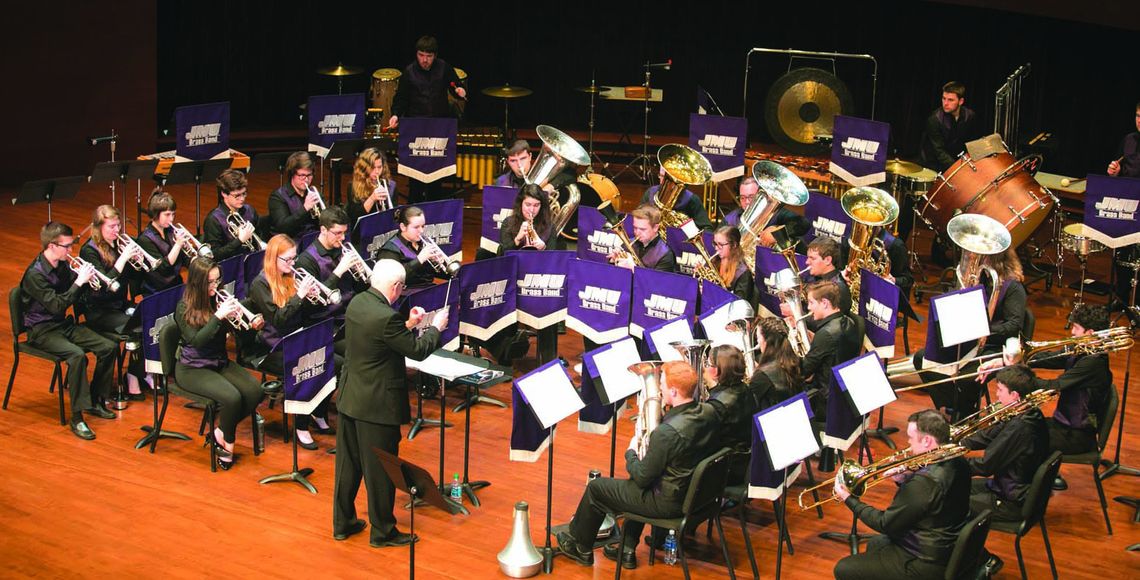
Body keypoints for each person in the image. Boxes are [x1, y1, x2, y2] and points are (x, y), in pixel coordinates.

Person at [556, 361, 718, 570]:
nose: (659, 388)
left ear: (675, 391)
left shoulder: (667, 433)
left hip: (669, 502)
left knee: (597, 488)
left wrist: (631, 452)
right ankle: (627, 550)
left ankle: (581, 547)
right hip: (696, 494)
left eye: (662, 384)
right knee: (637, 485)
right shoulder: (708, 412)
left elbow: (642, 477)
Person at [333, 259, 447, 547]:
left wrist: (408, 324)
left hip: (350, 398)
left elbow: (380, 340)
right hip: (376, 405)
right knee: (381, 470)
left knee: (348, 466)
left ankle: (342, 523)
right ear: (396, 287)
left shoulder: (358, 302)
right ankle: (383, 531)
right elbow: (418, 351)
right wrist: (435, 328)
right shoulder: (387, 318)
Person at [979, 304, 1112, 490]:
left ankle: (1018, 488)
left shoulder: (1093, 363)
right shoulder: (1082, 350)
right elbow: (1049, 357)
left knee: (1020, 436)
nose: (1072, 333)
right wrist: (1011, 359)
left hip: (1076, 435)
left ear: (1089, 332)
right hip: (1064, 425)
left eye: (1076, 328)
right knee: (1014, 427)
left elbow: (1054, 386)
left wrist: (1019, 374)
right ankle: (1017, 481)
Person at [833, 409, 972, 580]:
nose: (908, 443)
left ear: (927, 440)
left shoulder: (923, 484)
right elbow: (931, 503)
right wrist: (903, 479)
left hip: (924, 561)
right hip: (945, 541)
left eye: (911, 438)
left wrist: (849, 499)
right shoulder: (959, 460)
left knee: (843, 568)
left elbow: (884, 523)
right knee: (876, 543)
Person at [20, 222, 118, 440]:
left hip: (62, 325)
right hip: (41, 330)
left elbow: (72, 294)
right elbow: (56, 305)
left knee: (108, 347)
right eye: (67, 246)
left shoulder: (63, 264)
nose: (71, 251)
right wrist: (79, 283)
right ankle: (77, 417)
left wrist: (87, 279)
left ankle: (94, 400)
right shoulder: (35, 274)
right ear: (52, 246)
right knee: (77, 356)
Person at [248, 235, 340, 451]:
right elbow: (278, 319)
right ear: (273, 258)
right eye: (287, 260)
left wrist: (311, 297)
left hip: (299, 336)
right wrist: (300, 295)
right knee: (308, 367)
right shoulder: (260, 284)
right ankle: (301, 426)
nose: (292, 264)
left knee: (339, 364)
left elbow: (303, 313)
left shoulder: (292, 275)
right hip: (275, 344)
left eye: (294, 259)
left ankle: (317, 410)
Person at [175, 257, 265, 469]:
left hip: (218, 360)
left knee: (255, 391)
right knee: (232, 398)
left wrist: (245, 323)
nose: (216, 286)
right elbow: (196, 341)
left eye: (217, 281)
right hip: (192, 367)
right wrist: (218, 316)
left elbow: (235, 336)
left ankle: (219, 432)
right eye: (210, 282)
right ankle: (227, 447)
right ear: (197, 283)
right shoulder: (183, 307)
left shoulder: (218, 299)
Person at [959, 365, 1048, 524]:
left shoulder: (1020, 427)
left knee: (947, 501)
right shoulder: (1028, 411)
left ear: (1014, 395)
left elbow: (985, 466)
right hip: (1007, 486)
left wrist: (950, 462)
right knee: (952, 486)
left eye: (1000, 390)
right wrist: (958, 441)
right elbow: (989, 435)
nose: (997, 395)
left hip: (1010, 501)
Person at [387, 36, 467, 205]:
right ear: (417, 54)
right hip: (416, 128)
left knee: (436, 176)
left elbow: (455, 85)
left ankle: (434, 209)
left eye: (429, 56)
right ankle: (414, 210)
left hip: (439, 127)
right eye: (421, 55)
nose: (425, 60)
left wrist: (460, 90)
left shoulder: (444, 67)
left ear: (435, 56)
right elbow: (401, 99)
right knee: (416, 177)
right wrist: (395, 114)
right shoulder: (409, 72)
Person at [80, 205, 146, 400]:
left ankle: (135, 374)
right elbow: (101, 286)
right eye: (111, 227)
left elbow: (133, 277)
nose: (117, 230)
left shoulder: (118, 244)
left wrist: (138, 261)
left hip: (119, 305)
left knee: (150, 319)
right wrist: (123, 259)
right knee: (137, 327)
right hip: (98, 311)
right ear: (99, 227)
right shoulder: (89, 251)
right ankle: (133, 379)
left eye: (118, 225)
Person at [918, 81, 983, 266]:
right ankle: (937, 250)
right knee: (943, 207)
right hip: (933, 163)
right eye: (944, 98)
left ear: (960, 101)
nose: (945, 103)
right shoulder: (934, 119)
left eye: (950, 100)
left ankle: (945, 250)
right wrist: (959, 170)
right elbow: (938, 152)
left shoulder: (970, 117)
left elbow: (973, 143)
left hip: (955, 164)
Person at [798, 280, 862, 421]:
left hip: (824, 399)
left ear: (825, 303)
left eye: (811, 303)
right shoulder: (850, 322)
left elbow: (803, 370)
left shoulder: (825, 334)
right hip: (843, 391)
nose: (809, 308)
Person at [295, 206, 366, 327]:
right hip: (327, 320)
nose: (343, 238)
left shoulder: (344, 249)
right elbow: (314, 305)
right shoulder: (306, 260)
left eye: (344, 232)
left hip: (351, 310)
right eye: (338, 233)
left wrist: (359, 273)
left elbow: (358, 288)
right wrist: (339, 271)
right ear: (323, 230)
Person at [724, 176, 808, 254]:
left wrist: (776, 232)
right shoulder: (732, 218)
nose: (747, 202)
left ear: (761, 196)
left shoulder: (776, 213)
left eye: (751, 197)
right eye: (743, 198)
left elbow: (803, 223)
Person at [374, 206, 449, 292]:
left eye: (423, 226)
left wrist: (441, 262)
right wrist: (419, 259)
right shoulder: (390, 250)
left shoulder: (424, 242)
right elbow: (392, 280)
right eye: (416, 227)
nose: (421, 231)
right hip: (405, 293)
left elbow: (443, 275)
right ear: (403, 227)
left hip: (428, 288)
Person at [137, 189, 190, 295]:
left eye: (173, 214)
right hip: (157, 291)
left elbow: (184, 259)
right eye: (167, 214)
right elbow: (163, 267)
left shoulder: (170, 231)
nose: (171, 219)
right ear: (156, 214)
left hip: (176, 284)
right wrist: (178, 244)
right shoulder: (145, 239)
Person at [202, 168, 261, 261]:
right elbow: (214, 255)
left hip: (251, 260)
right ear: (224, 194)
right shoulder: (214, 219)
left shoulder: (250, 210)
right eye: (237, 195)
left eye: (244, 193)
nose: (242, 199)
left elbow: (259, 237)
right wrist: (239, 240)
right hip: (228, 266)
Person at [268, 152, 322, 241]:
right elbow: (283, 227)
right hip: (290, 243)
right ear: (292, 174)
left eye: (309, 175)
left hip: (313, 239)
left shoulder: (313, 193)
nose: (306, 179)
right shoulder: (278, 197)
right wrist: (305, 208)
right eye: (302, 175)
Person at [640, 165, 713, 231]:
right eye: (662, 176)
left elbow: (707, 229)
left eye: (671, 180)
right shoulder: (650, 193)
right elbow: (638, 217)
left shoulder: (691, 199)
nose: (664, 183)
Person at [749, 316, 802, 402]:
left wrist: (758, 373)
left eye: (758, 337)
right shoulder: (796, 360)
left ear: (766, 340)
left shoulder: (761, 377)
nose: (758, 342)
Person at [609, 204, 675, 273]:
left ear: (655, 228)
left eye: (642, 229)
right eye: (635, 228)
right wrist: (613, 261)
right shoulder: (628, 244)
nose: (637, 232)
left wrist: (633, 269)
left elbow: (657, 282)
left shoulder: (665, 254)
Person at [801, 236, 852, 322]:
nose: (807, 262)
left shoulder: (839, 289)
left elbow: (829, 324)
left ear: (828, 260)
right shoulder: (812, 279)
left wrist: (796, 314)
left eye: (812, 258)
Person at [346, 147, 397, 230]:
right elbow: (355, 217)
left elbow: (394, 215)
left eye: (379, 167)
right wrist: (372, 198)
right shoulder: (353, 186)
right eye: (372, 168)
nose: (377, 171)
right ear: (364, 167)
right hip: (363, 230)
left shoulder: (390, 185)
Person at [499, 184, 558, 253]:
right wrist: (517, 240)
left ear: (541, 206)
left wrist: (544, 248)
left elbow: (553, 259)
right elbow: (503, 255)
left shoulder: (550, 226)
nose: (532, 210)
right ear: (520, 204)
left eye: (536, 205)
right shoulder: (508, 223)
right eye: (528, 204)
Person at [711, 225, 756, 304]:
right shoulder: (714, 262)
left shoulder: (743, 273)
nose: (716, 248)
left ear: (734, 245)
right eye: (715, 243)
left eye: (720, 245)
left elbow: (739, 304)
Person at [1106, 101, 1140, 178]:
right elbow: (1119, 171)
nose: (1139, 121)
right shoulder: (1129, 139)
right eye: (1138, 116)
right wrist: (1115, 172)